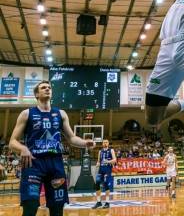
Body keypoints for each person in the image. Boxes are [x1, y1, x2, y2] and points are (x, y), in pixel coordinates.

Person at [9, 81, 95, 216]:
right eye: (43, 88)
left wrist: (85, 143)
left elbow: (72, 138)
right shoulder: (26, 114)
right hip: (34, 163)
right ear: (36, 94)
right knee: (30, 206)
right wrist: (23, 149)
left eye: (49, 87)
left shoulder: (61, 114)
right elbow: (12, 142)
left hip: (55, 164)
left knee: (57, 208)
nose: (47, 89)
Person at [92, 139, 116, 209]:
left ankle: (107, 202)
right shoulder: (100, 151)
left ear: (108, 143)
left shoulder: (111, 150)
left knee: (105, 184)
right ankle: (98, 202)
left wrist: (108, 161)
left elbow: (115, 160)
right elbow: (98, 161)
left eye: (106, 142)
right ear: (102, 144)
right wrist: (97, 164)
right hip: (101, 169)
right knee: (97, 183)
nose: (105, 143)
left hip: (107, 169)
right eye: (104, 142)